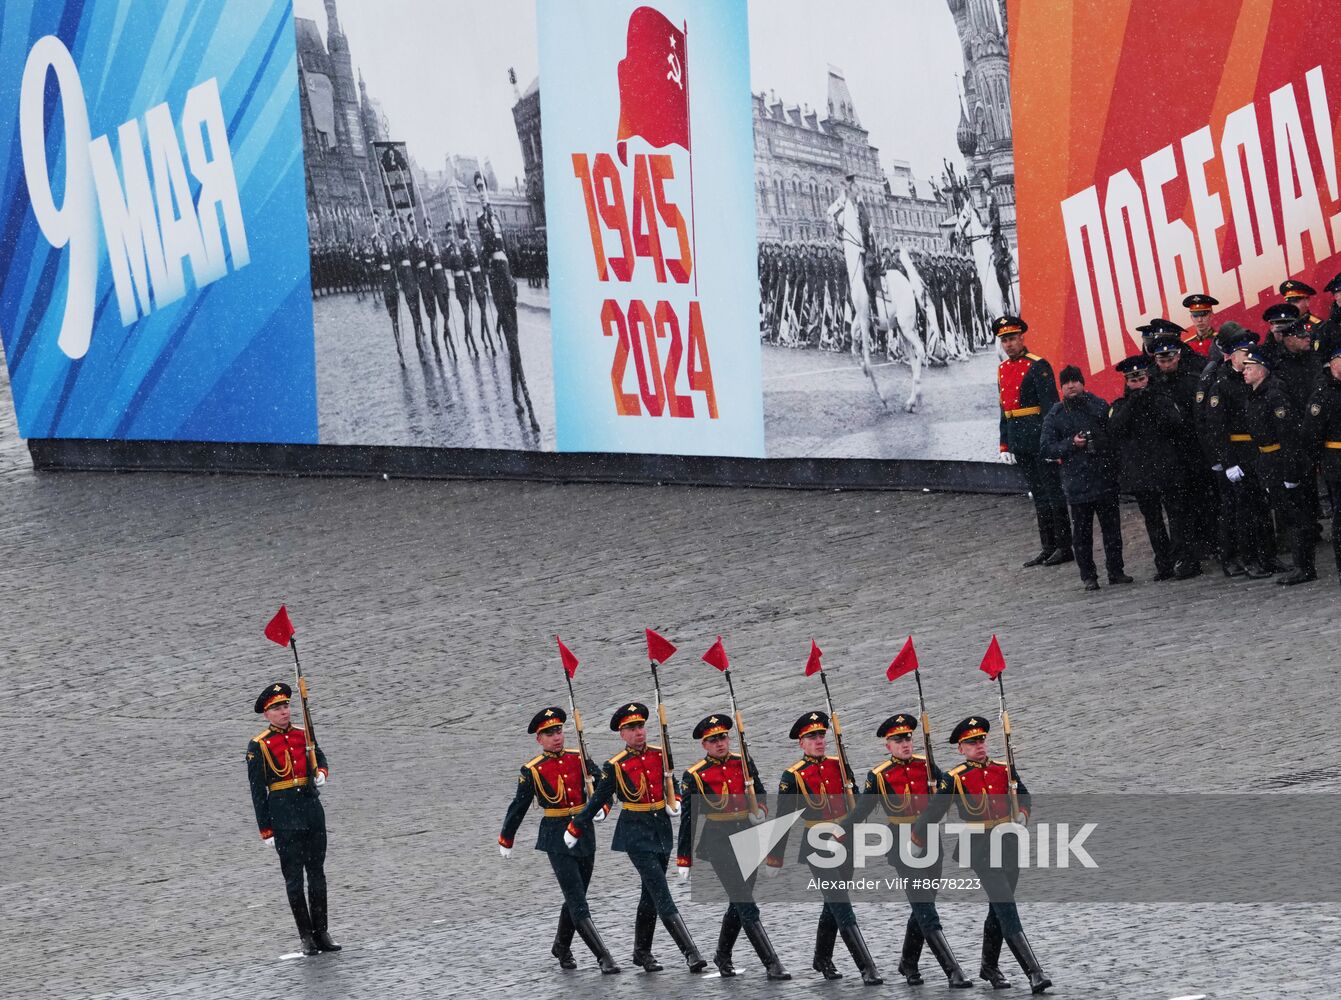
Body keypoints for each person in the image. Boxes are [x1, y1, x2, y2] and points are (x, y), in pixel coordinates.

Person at [912, 718, 1050, 993]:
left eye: (982, 740)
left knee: (998, 908)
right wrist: (917, 837)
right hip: (980, 848)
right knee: (1006, 904)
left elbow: (1024, 795)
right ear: (961, 749)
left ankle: (989, 966)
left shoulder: (1003, 769)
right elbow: (933, 812)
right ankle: (1034, 972)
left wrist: (1022, 813)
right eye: (972, 743)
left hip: (1008, 844)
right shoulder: (955, 778)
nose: (979, 746)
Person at [566, 703, 706, 973]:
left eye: (640, 726)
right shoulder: (615, 766)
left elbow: (670, 781)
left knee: (650, 894)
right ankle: (691, 952)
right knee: (661, 893)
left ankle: (641, 952)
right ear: (622, 734)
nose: (638, 732)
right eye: (631, 729)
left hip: (661, 830)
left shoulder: (660, 753)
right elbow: (599, 798)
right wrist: (577, 825)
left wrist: (675, 799)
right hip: (635, 833)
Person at [851, 714, 972, 988]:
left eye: (907, 738)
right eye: (898, 740)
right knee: (926, 908)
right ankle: (952, 970)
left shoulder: (927, 766)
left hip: (932, 843)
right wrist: (839, 831)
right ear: (888, 745)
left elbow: (951, 794)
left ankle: (907, 962)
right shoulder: (879, 776)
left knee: (923, 903)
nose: (905, 744)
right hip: (902, 846)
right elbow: (862, 810)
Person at [764, 712, 882, 984]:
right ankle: (867, 967)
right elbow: (784, 820)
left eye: (821, 735)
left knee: (833, 904)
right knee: (842, 905)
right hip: (818, 846)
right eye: (811, 737)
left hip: (846, 841)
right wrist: (774, 858)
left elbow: (858, 801)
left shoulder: (839, 764)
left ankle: (822, 957)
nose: (818, 741)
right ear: (801, 743)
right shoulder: (792, 776)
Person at [499, 707, 619, 973]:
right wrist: (507, 837)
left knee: (577, 894)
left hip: (584, 832)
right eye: (549, 733)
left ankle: (561, 945)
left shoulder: (580, 758)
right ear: (538, 739)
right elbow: (518, 806)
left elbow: (605, 788)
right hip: (555, 836)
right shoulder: (532, 769)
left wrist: (603, 808)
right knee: (577, 900)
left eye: (558, 731)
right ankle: (604, 957)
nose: (556, 737)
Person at [675, 715, 790, 980]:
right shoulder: (695, 775)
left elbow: (759, 793)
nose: (720, 743)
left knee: (739, 901)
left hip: (747, 836)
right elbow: (688, 819)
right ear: (704, 744)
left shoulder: (744, 762)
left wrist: (759, 809)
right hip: (718, 842)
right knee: (746, 902)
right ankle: (772, 962)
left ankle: (722, 954)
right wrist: (684, 857)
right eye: (713, 740)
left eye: (723, 737)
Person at [246, 683, 339, 956]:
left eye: (285, 706)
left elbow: (319, 756)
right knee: (294, 879)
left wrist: (321, 772)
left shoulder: (303, 733)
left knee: (317, 874)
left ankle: (322, 931)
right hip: (284, 817)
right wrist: (266, 830)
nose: (284, 712)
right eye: (277, 708)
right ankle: (306, 936)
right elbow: (257, 791)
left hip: (311, 811)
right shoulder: (259, 745)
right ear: (267, 714)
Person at [1109, 354, 1200, 579]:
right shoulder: (1120, 405)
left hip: (1167, 468)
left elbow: (1175, 422)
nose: (1138, 384)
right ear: (1127, 382)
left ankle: (1184, 560)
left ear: (1147, 378)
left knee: (1177, 516)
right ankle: (1164, 563)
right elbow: (1115, 429)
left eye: (1141, 378)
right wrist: (1134, 401)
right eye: (1132, 380)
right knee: (1153, 521)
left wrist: (1151, 400)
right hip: (1142, 474)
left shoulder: (1161, 397)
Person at [1040, 366, 1130, 590]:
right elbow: (1046, 448)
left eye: (1075, 381)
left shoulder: (1098, 405)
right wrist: (1071, 443)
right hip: (1077, 484)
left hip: (1103, 478)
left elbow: (1114, 437)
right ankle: (1088, 576)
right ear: (1061, 387)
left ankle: (1116, 571)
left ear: (1083, 383)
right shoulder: (1056, 414)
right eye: (1067, 382)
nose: (1071, 386)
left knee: (1112, 531)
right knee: (1081, 535)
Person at [995, 316, 1073, 568]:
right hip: (1020, 440)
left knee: (1053, 492)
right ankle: (1048, 546)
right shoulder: (1002, 368)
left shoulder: (1037, 365)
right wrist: (1005, 443)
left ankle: (1064, 546)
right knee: (1038, 495)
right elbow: (1004, 410)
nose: (1009, 344)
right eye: (1004, 340)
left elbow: (1050, 407)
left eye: (1012, 338)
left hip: (1039, 437)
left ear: (1022, 338)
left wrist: (1051, 442)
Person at [1206, 325, 1279, 578]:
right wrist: (1227, 462)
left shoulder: (1253, 378)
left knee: (1262, 507)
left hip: (1258, 450)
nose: (1247, 354)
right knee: (1244, 510)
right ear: (1230, 355)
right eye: (1242, 351)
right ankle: (1248, 559)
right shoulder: (1222, 385)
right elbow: (1217, 428)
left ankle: (1269, 556)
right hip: (1238, 452)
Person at [1242, 348, 1317, 584]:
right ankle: (1301, 565)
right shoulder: (1255, 395)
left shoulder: (1274, 396)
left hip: (1281, 460)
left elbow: (1288, 436)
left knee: (1296, 516)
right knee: (1287, 515)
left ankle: (1304, 566)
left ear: (1262, 371)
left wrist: (1290, 470)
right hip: (1267, 460)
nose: (1245, 372)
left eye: (1249, 368)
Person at [476, 170, 541, 433]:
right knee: (513, 345)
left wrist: (514, 277)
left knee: (515, 342)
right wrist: (489, 220)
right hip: (497, 282)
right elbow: (491, 243)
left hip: (507, 277)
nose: (482, 192)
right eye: (478, 188)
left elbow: (506, 251)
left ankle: (515, 392)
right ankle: (528, 403)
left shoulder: (495, 217)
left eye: (484, 188)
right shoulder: (483, 221)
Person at [1303, 344, 1341, 586]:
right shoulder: (1323, 393)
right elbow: (1312, 434)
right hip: (1336, 459)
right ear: (1333, 363)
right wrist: (1319, 461)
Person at [1181, 293, 1221, 359]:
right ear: (1191, 317)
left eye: (1203, 315)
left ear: (1211, 315)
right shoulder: (1187, 345)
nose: (1199, 320)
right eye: (1195, 315)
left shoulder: (1221, 340)